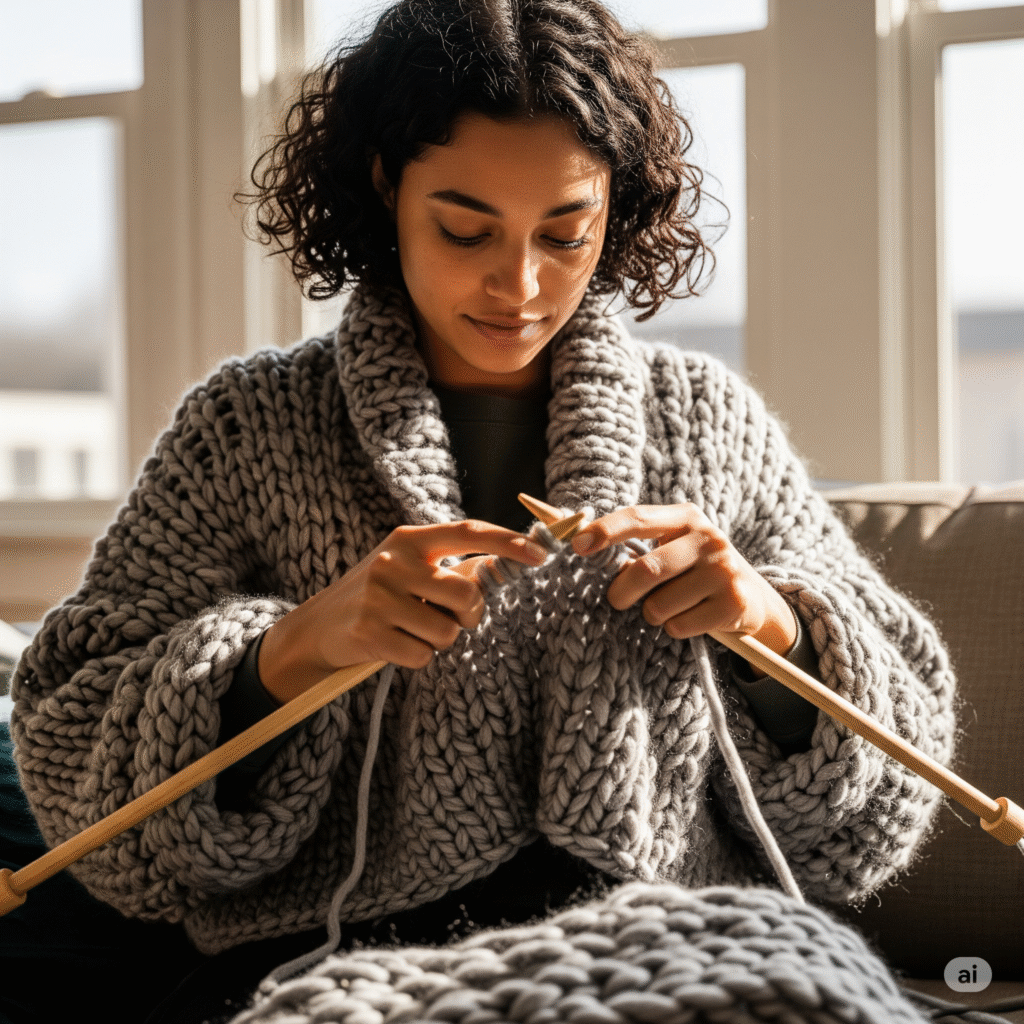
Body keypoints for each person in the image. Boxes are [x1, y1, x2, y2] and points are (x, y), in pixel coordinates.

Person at [3, 1, 957, 1021]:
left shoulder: (706, 422)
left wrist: (766, 621)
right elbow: (72, 741)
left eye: (565, 230)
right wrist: (297, 646)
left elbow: (890, 766)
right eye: (465, 228)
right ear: (384, 186)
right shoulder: (247, 429)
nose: (520, 282)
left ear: (615, 211)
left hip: (666, 948)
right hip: (329, 962)